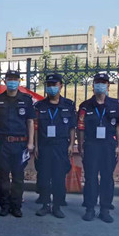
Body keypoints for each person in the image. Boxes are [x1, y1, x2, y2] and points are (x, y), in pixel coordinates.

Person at [77, 73, 119, 223]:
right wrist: (81, 145)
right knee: (90, 178)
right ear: (93, 86)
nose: (100, 85)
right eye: (98, 82)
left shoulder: (116, 105)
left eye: (103, 83)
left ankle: (105, 209)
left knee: (107, 178)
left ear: (108, 86)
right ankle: (90, 208)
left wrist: (118, 146)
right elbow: (81, 127)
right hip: (91, 145)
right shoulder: (85, 106)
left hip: (108, 146)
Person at [0, 71, 35, 218]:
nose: (12, 82)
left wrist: (31, 142)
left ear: (19, 82)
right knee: (2, 176)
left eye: (15, 79)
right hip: (3, 143)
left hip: (20, 145)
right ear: (5, 81)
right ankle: (4, 205)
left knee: (18, 177)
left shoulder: (26, 100)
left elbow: (30, 122)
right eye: (10, 79)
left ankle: (16, 206)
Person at [33, 74, 76, 218]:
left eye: (54, 84)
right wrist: (36, 146)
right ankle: (45, 205)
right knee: (44, 177)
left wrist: (71, 144)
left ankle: (57, 206)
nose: (51, 87)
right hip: (44, 146)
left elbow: (72, 127)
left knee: (59, 177)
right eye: (49, 85)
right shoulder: (39, 106)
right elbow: (36, 128)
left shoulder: (68, 105)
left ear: (61, 86)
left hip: (61, 146)